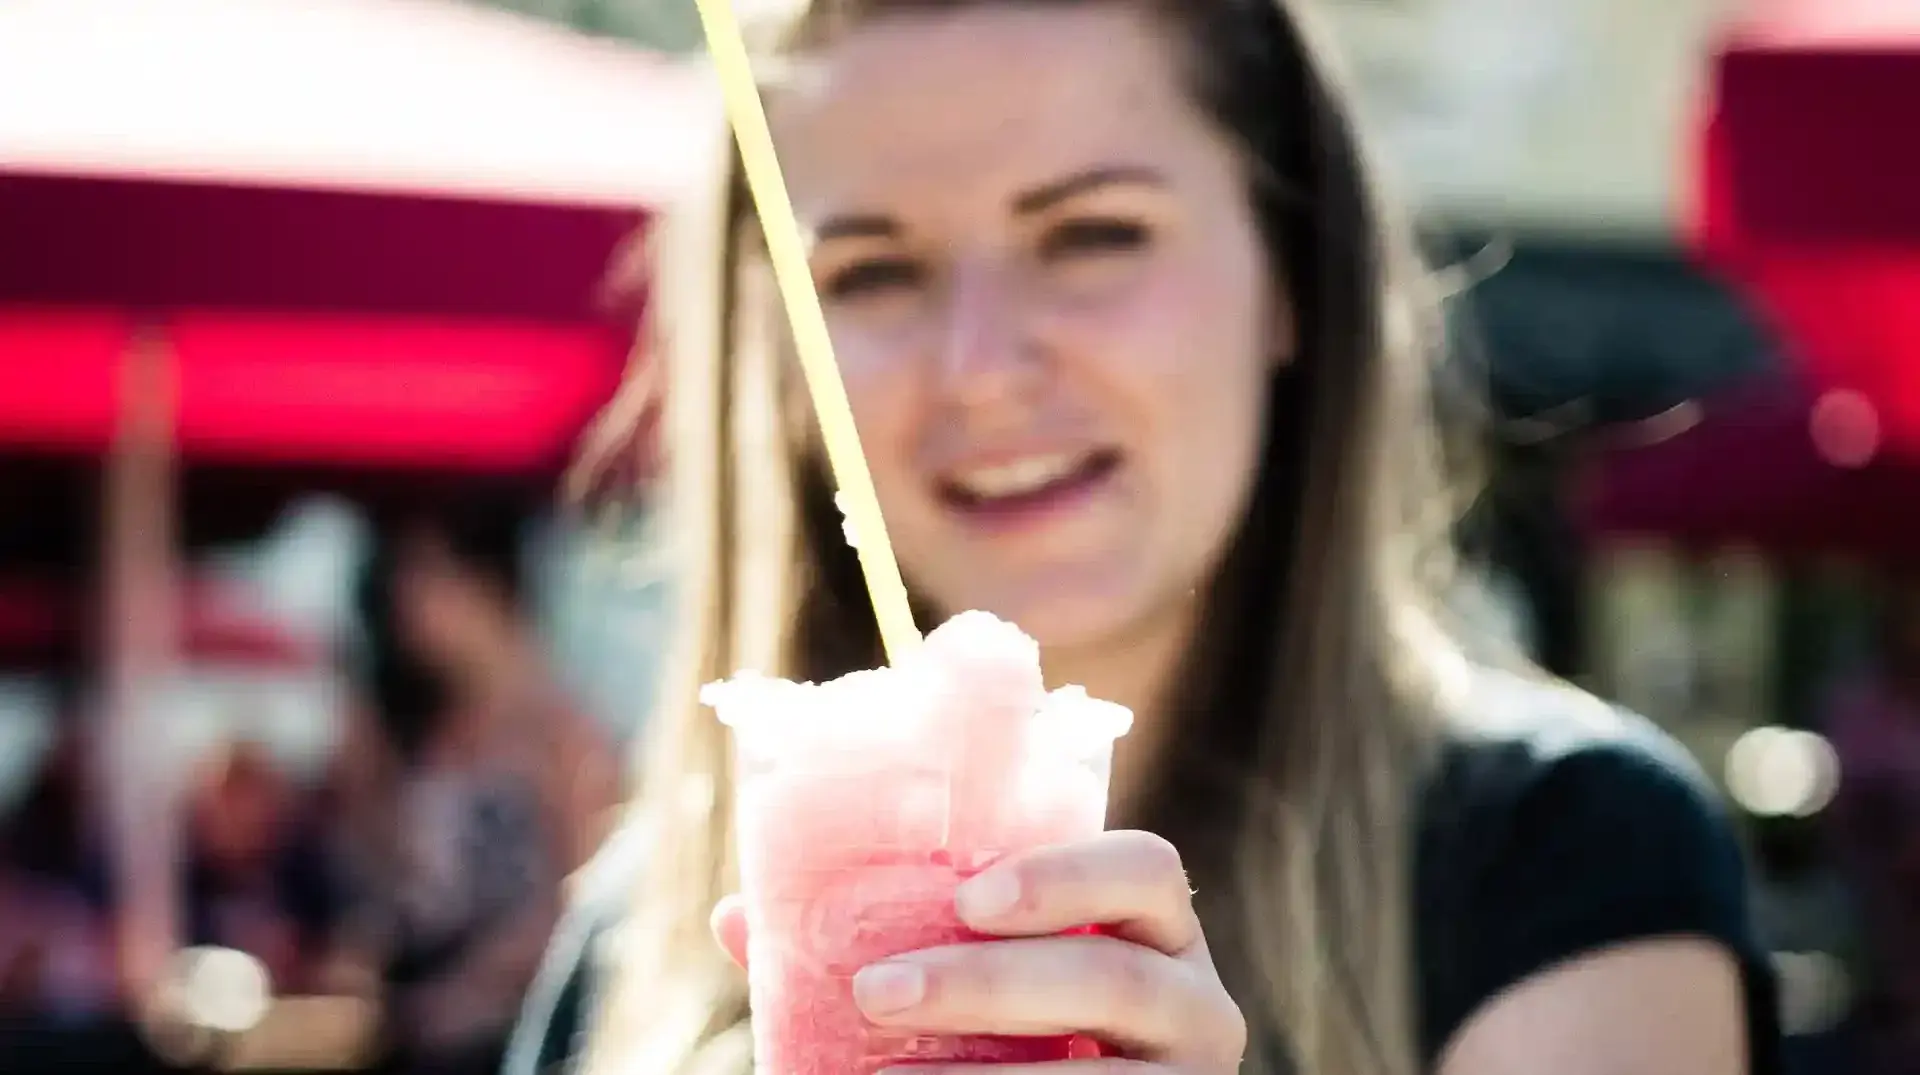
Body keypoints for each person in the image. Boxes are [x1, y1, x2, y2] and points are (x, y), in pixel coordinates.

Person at [509, 2, 1783, 1074]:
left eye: (1093, 234)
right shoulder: (640, 944)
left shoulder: (1569, 855)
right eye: (872, 272)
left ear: (1290, 272)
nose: (982, 370)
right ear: (779, 361)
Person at [333, 508, 618, 1075]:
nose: (405, 610)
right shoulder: (410, 726)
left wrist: (474, 988)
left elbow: (584, 896)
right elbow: (385, 876)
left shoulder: (562, 735)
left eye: (423, 581)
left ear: (480, 585)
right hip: (417, 1002)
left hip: (516, 1017)